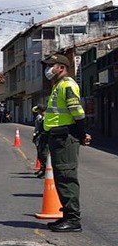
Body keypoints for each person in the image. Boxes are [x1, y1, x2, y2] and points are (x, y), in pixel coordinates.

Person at [42, 54, 91, 232]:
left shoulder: (68, 85)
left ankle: (73, 219)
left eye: (51, 66)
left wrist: (81, 133)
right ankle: (66, 215)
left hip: (65, 137)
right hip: (58, 136)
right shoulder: (59, 85)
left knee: (66, 177)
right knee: (61, 177)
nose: (48, 69)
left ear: (61, 67)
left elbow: (77, 112)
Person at [32, 105, 48, 177]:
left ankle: (45, 170)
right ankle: (43, 169)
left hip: (45, 138)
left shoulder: (46, 118)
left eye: (38, 110)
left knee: (43, 154)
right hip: (41, 137)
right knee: (40, 154)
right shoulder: (40, 117)